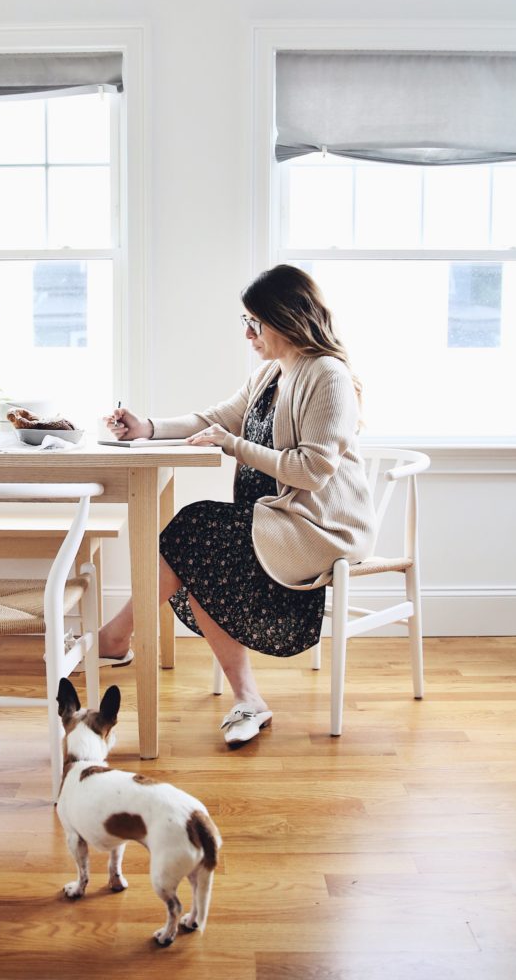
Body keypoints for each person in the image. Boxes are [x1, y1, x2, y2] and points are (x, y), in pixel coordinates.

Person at [99, 264, 376, 746]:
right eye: (244, 322)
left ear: (286, 319)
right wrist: (146, 426)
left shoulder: (326, 376)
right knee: (196, 541)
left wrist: (234, 445)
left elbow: (311, 471)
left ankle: (118, 637)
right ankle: (243, 697)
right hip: (273, 519)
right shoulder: (272, 373)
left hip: (319, 527)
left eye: (255, 322)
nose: (247, 333)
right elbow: (214, 418)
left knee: (195, 533)